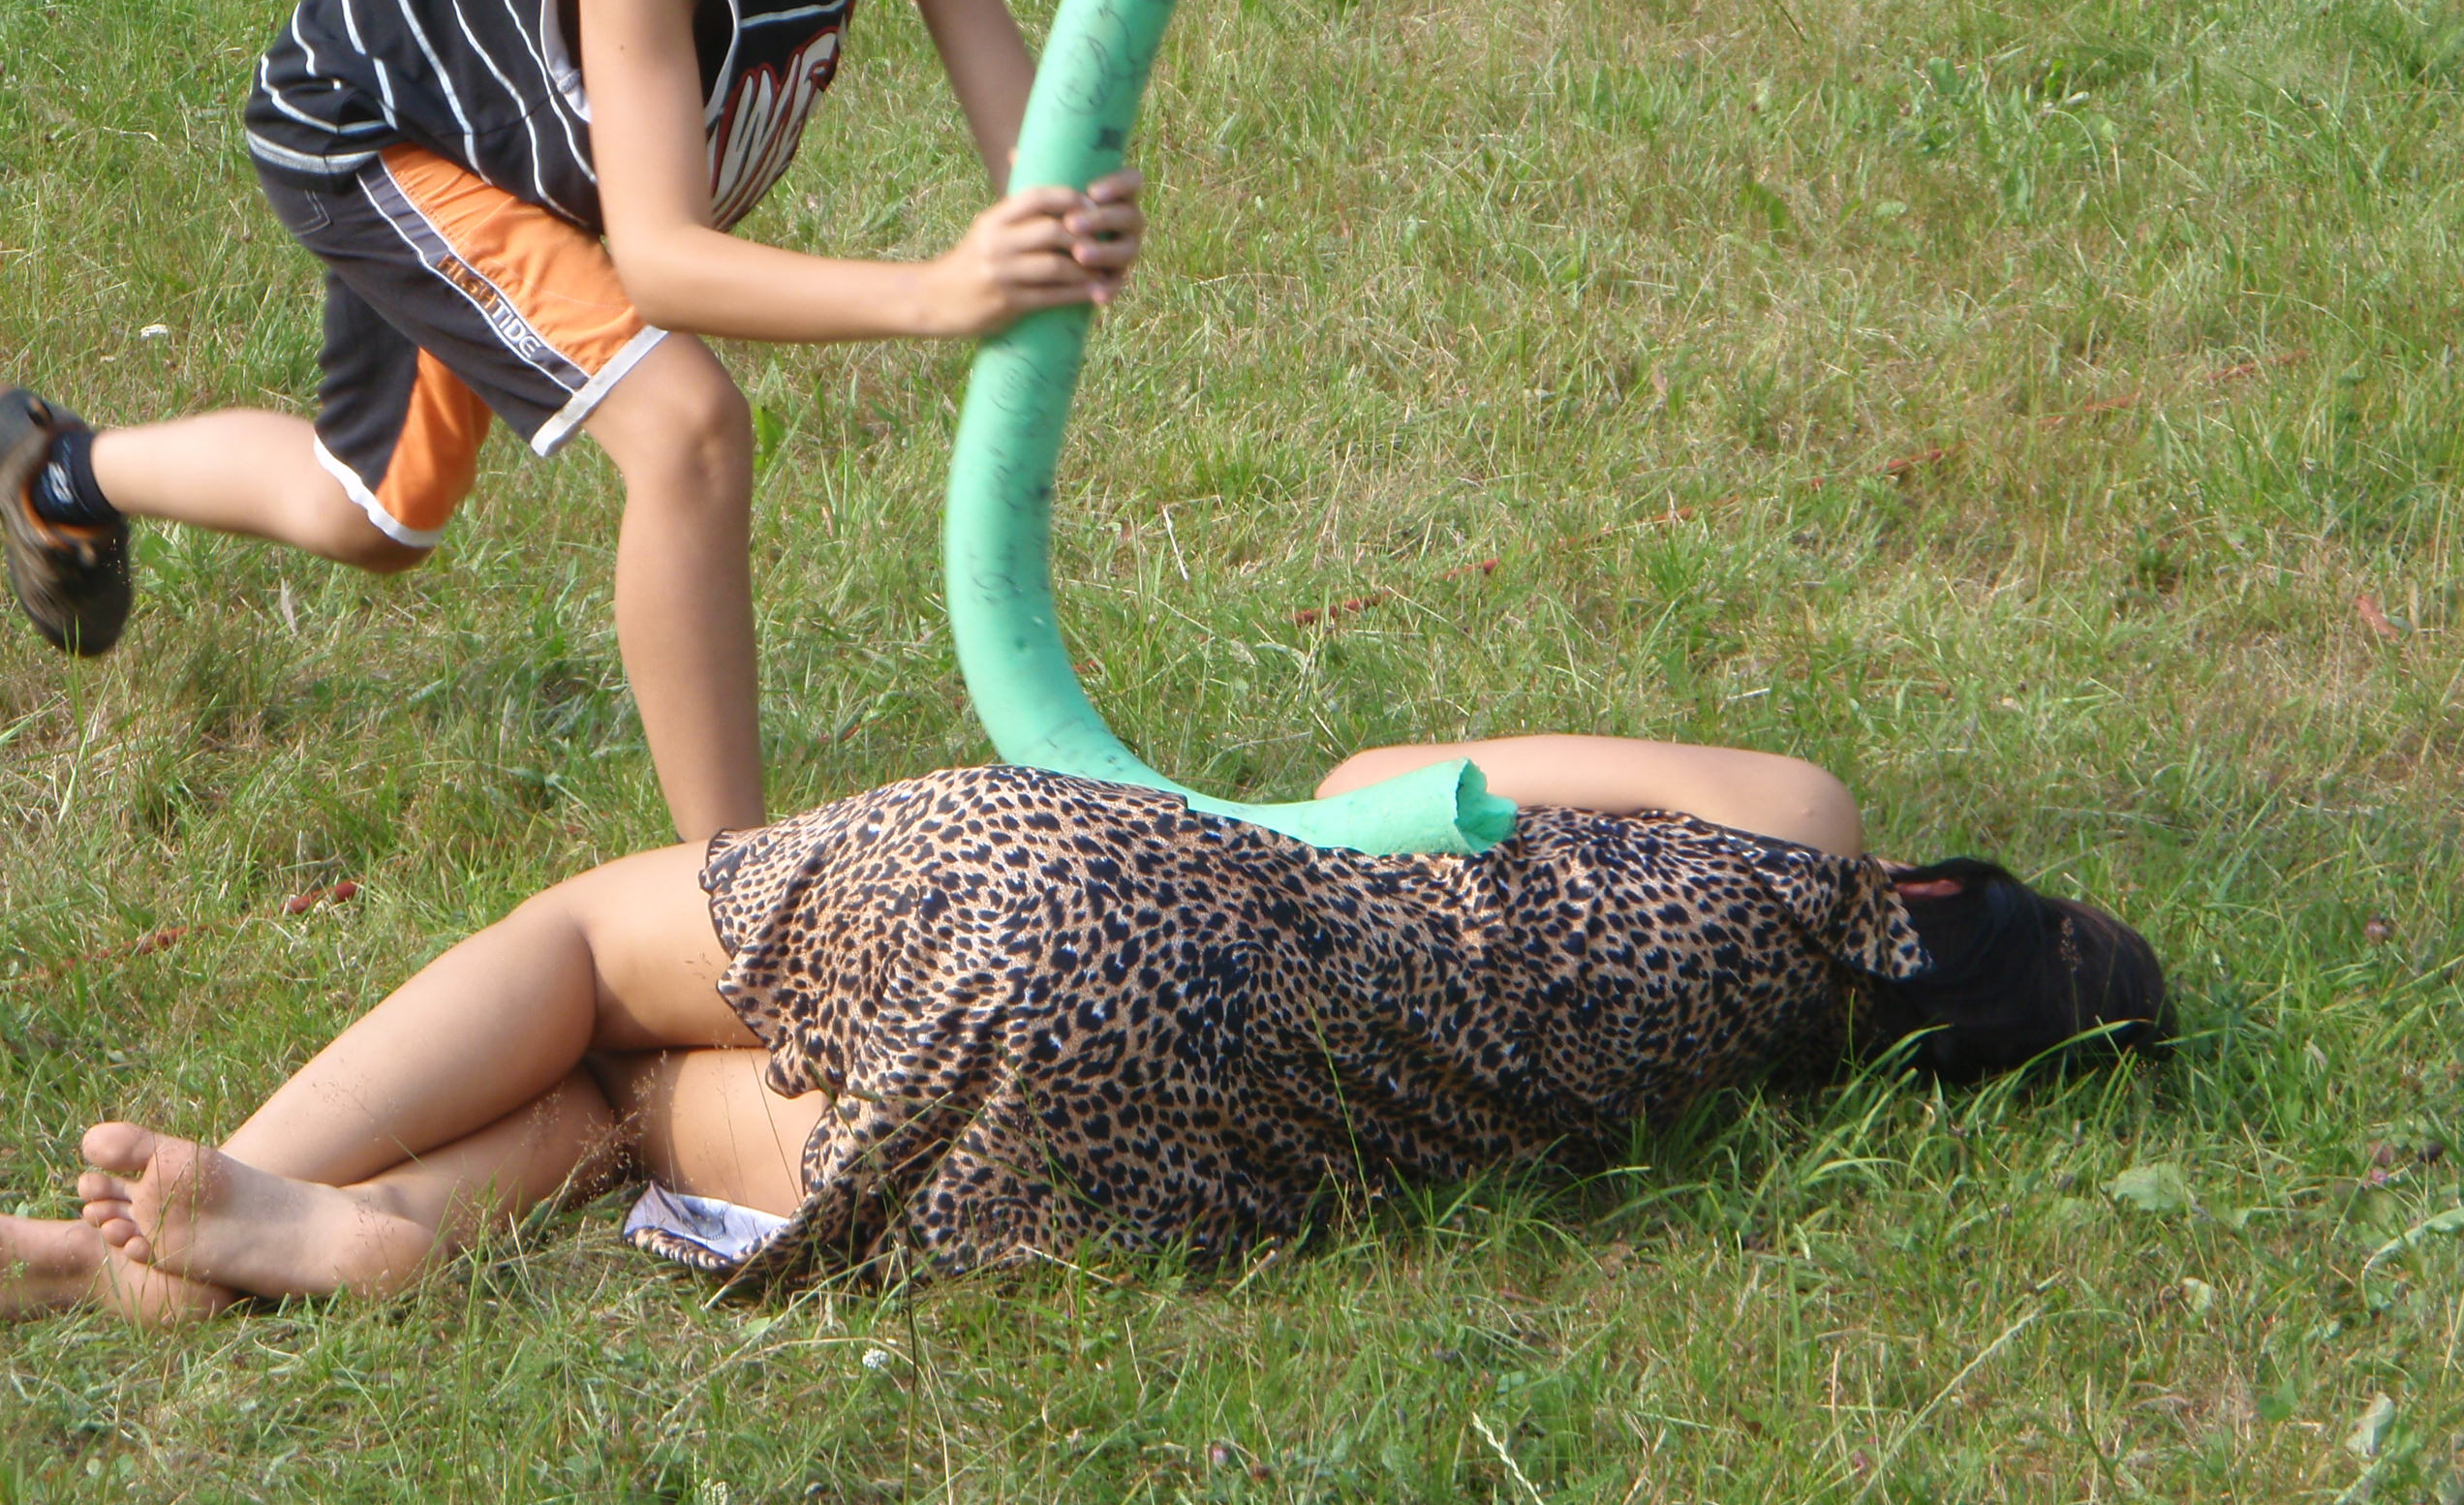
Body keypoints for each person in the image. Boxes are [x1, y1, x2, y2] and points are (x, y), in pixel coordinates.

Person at [0, 0, 1141, 843]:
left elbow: (1014, 115)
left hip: (518, 152)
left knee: (372, 516)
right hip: (378, 138)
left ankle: (57, 476)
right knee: (687, 429)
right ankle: (732, 890)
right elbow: (663, 263)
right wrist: (939, 293)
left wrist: (1061, 206)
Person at [0, 732, 2171, 1323]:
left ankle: (231, 1185)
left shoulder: (1802, 838)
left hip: (1114, 892)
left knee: (578, 949)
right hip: (1161, 1160)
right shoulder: (1710, 1100)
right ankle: (352, 1243)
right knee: (641, 1111)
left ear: (1940, 908)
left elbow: (1377, 790)